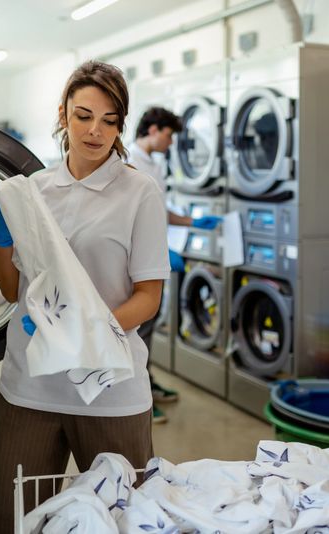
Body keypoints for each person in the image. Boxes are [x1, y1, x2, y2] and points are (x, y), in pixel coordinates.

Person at [0, 61, 170, 534]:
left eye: (110, 120)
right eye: (84, 115)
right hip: (30, 386)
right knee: (14, 522)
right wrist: (0, 241)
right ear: (63, 114)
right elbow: (12, 290)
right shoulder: (33, 192)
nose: (95, 130)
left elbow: (148, 296)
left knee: (124, 522)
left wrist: (78, 333)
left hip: (110, 390)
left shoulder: (139, 192)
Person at [127, 106, 222, 424]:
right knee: (138, 328)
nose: (171, 143)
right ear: (153, 130)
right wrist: (158, 250)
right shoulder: (129, 161)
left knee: (149, 325)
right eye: (169, 135)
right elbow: (128, 216)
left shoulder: (154, 164)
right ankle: (135, 394)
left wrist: (195, 222)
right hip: (137, 258)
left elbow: (159, 211)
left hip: (154, 253)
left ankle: (146, 382)